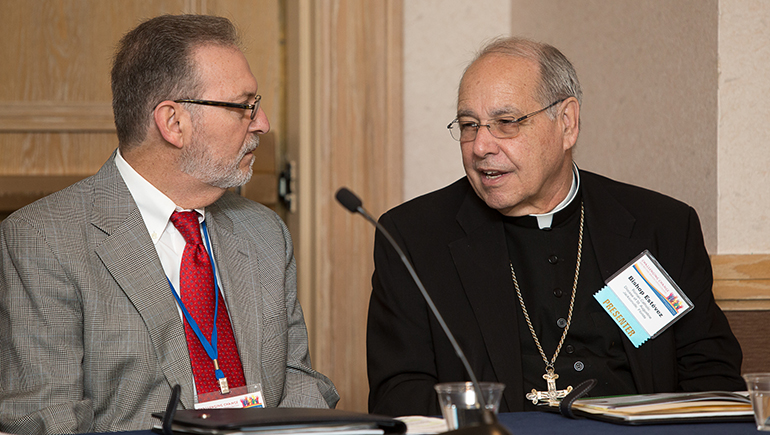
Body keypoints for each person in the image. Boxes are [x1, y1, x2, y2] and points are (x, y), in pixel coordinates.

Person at [366, 36, 743, 417]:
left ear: (567, 123)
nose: (480, 146)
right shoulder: (414, 238)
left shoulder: (660, 227)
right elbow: (399, 394)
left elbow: (711, 377)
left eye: (506, 123)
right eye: (469, 125)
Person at [0, 14, 338, 434]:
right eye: (242, 106)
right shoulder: (45, 239)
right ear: (173, 122)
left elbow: (296, 380)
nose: (262, 122)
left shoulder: (264, 232)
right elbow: (46, 421)